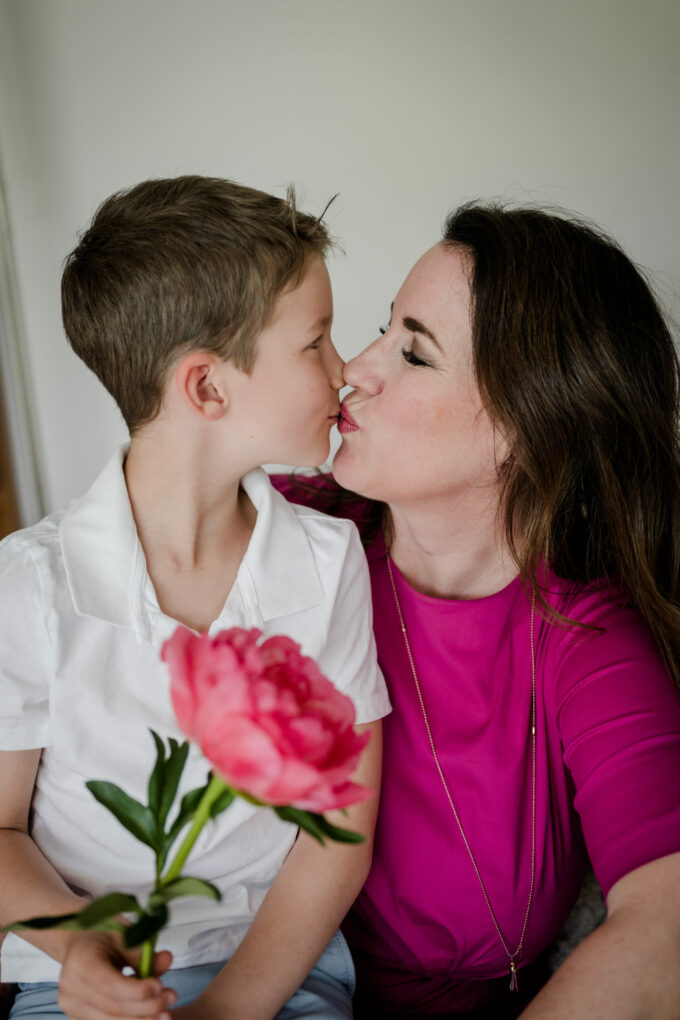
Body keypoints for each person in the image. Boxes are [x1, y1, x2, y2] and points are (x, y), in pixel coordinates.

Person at [275, 202, 680, 1018]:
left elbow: (666, 924)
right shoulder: (281, 530)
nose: (354, 368)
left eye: (413, 353)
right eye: (382, 329)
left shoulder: (587, 642)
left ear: (522, 428)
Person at [0, 176, 390, 1020]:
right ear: (208, 388)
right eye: (316, 342)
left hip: (278, 977)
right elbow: (1, 831)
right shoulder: (27, 585)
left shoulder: (329, 563)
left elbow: (341, 831)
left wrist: (226, 1011)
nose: (346, 368)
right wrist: (78, 945)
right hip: (76, 990)